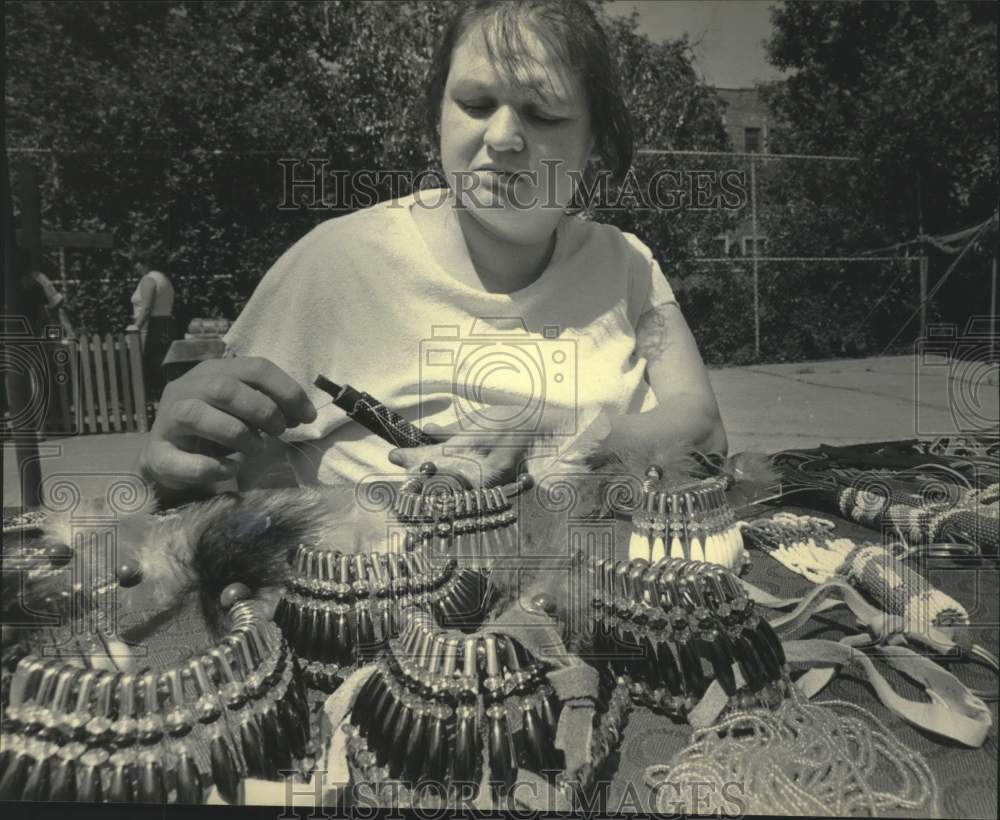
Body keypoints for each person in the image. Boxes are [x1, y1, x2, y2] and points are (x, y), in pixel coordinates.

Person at [138, 0, 726, 500]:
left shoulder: (628, 264)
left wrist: (559, 436)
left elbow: (703, 427)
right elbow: (233, 463)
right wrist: (180, 461)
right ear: (438, 117)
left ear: (594, 140)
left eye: (541, 112)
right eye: (474, 104)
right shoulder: (339, 262)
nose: (501, 137)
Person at [130, 258, 179, 403]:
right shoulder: (164, 279)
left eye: (136, 263)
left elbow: (146, 308)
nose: (135, 267)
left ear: (143, 262)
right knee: (162, 367)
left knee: (146, 367)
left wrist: (135, 328)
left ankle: (147, 403)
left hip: (151, 327)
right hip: (166, 324)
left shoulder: (148, 279)